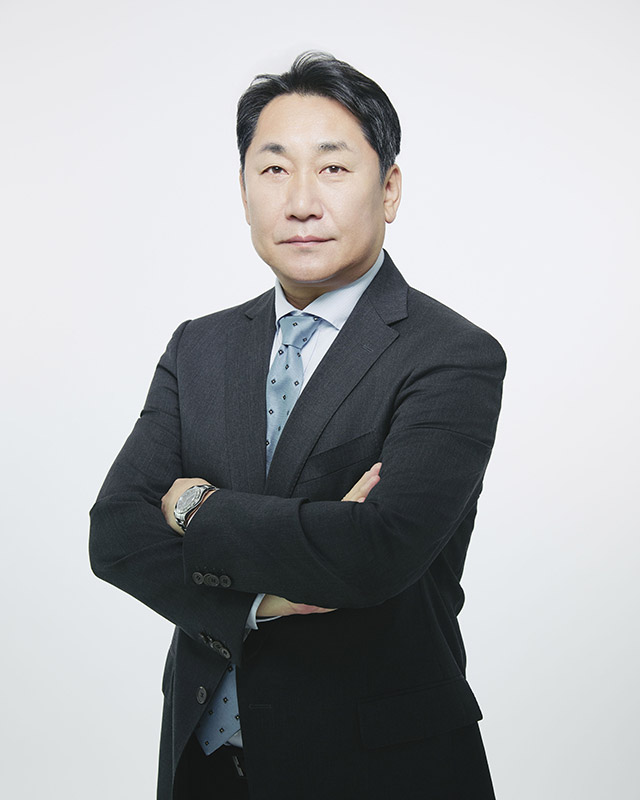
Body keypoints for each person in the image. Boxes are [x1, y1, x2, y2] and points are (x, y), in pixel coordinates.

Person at [90, 51, 506, 800]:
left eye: (334, 169)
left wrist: (194, 508)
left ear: (389, 189)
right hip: (203, 765)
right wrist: (259, 602)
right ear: (244, 190)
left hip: (377, 769)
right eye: (274, 169)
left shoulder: (451, 355)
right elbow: (116, 532)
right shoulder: (199, 347)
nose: (301, 201)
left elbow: (376, 551)